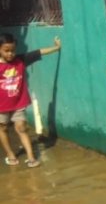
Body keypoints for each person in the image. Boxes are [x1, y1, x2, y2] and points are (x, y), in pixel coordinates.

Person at [0, 34, 61, 168]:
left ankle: (31, 157)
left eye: (13, 50)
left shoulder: (20, 60)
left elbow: (40, 52)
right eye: (6, 50)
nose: (10, 54)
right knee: (3, 128)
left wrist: (56, 48)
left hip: (18, 103)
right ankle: (10, 154)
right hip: (1, 106)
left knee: (21, 127)